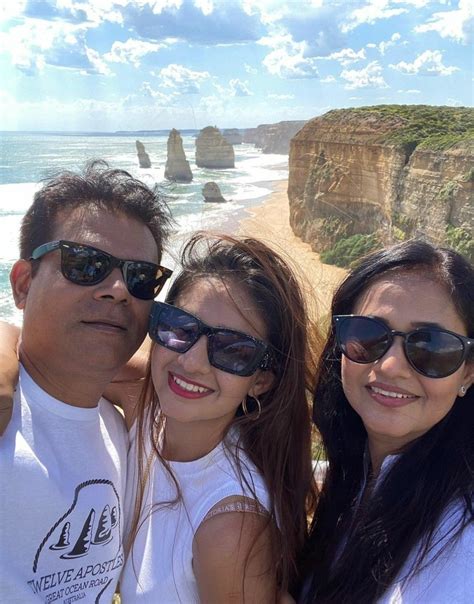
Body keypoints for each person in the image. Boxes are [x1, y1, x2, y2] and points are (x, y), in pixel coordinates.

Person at [107, 233, 319, 602]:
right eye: (179, 327)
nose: (192, 362)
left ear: (260, 381)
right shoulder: (146, 404)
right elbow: (45, 350)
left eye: (233, 350)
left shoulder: (229, 528)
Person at [0, 160, 172, 603]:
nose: (117, 288)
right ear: (22, 284)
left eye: (140, 278)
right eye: (85, 263)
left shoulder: (125, 429)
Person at [298, 240, 474, 603]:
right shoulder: (356, 478)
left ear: (468, 373)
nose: (391, 366)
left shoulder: (462, 550)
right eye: (368, 334)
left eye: (431, 347)